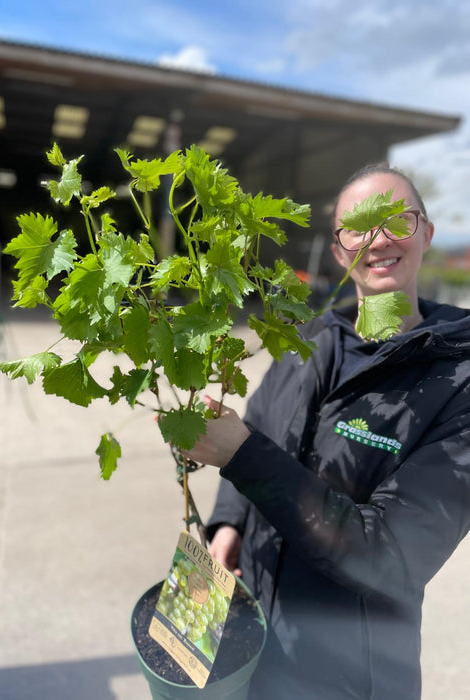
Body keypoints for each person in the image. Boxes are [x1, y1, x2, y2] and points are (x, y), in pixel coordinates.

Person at [184, 164, 470, 699]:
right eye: (357, 229)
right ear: (340, 252)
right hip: (256, 643)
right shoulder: (310, 339)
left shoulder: (457, 381)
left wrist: (241, 456)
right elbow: (257, 428)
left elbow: (389, 554)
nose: (378, 239)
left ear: (426, 233)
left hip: (349, 677)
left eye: (397, 221)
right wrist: (229, 524)